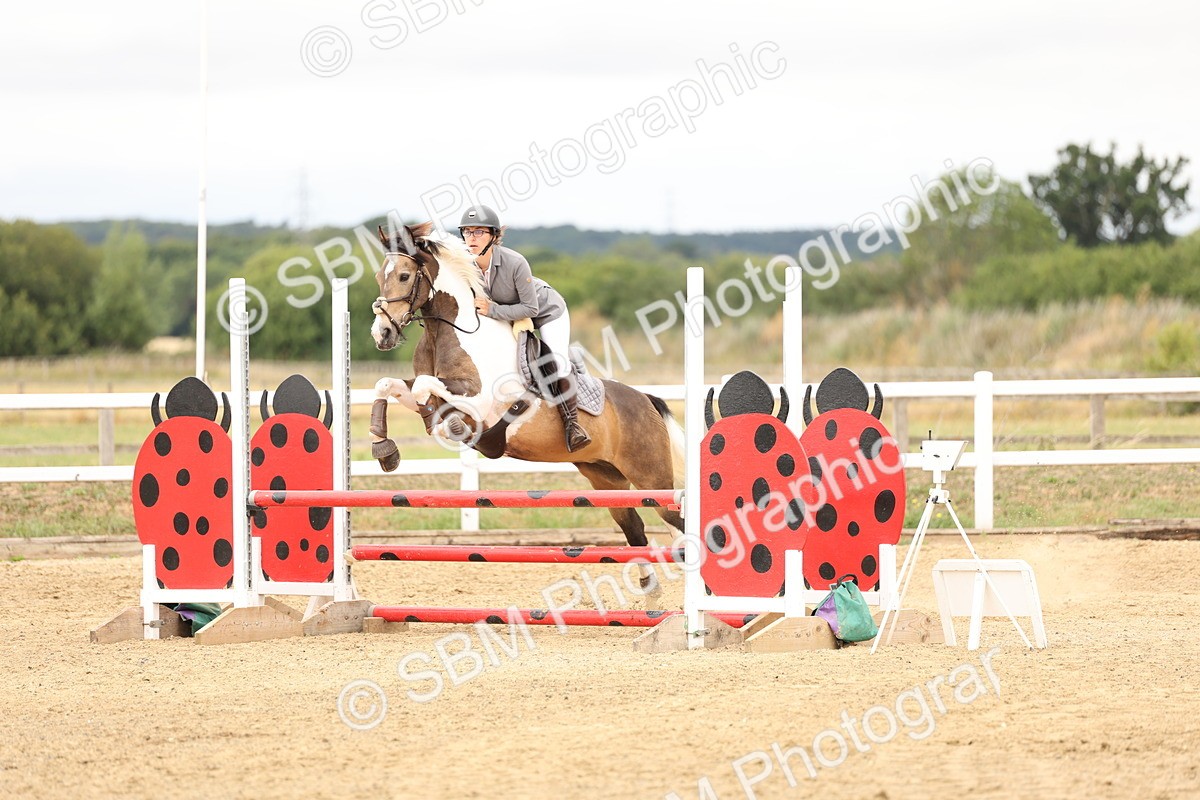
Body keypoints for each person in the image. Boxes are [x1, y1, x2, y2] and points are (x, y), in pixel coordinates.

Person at [459, 205, 592, 452]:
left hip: (547, 312)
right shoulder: (468, 267)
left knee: (558, 361)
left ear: (493, 236)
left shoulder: (515, 262)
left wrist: (492, 310)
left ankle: (573, 425)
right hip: (510, 317)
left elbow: (530, 308)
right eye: (467, 232)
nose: (471, 238)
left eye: (478, 232)